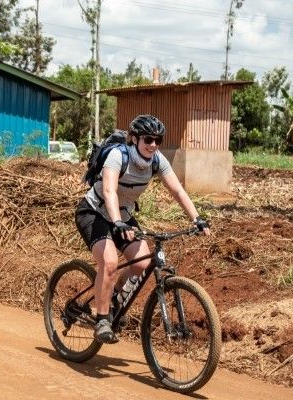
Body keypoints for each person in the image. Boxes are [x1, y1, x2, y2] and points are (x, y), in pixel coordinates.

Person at [74, 114, 211, 344]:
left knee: (142, 262)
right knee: (109, 263)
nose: (153, 145)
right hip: (94, 212)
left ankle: (115, 298)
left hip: (123, 216)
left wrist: (197, 218)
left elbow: (177, 191)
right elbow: (109, 191)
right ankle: (101, 319)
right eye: (148, 139)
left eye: (158, 140)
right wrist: (117, 223)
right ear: (134, 139)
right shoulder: (119, 156)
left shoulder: (157, 160)